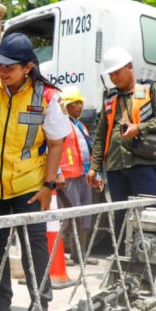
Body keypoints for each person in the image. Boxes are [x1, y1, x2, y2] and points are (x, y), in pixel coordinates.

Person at [0, 33, 70, 311]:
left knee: (33, 243)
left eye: (10, 66)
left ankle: (41, 301)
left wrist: (48, 186)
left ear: (27, 67)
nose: (2, 70)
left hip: (29, 185)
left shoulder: (47, 96)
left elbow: (57, 141)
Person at [85, 46, 156, 233]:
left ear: (130, 67)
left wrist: (139, 128)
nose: (114, 78)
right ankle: (121, 260)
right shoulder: (109, 99)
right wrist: (94, 167)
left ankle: (146, 258)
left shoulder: (150, 89)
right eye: (111, 75)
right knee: (120, 215)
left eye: (117, 73)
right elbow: (100, 135)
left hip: (141, 163)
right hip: (115, 167)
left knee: (146, 213)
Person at [56, 86, 102, 263]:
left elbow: (87, 151)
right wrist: (57, 172)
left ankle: (79, 254)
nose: (80, 106)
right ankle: (59, 256)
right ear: (65, 105)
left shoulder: (80, 125)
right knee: (66, 215)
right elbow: (51, 150)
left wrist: (95, 174)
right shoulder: (59, 124)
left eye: (81, 103)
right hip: (66, 177)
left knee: (84, 216)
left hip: (82, 176)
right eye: (75, 103)